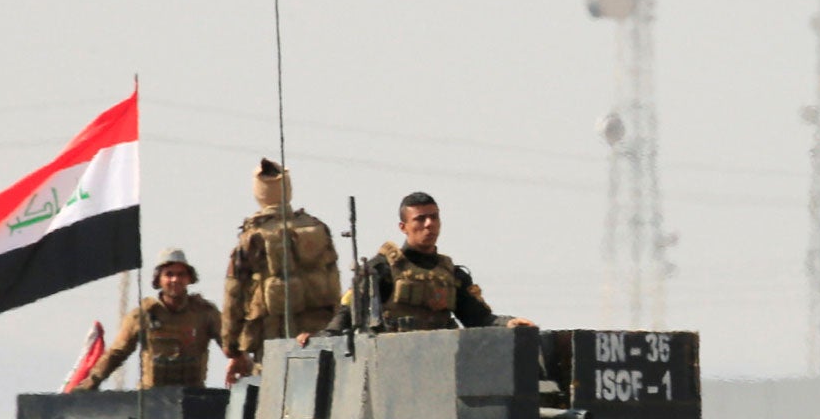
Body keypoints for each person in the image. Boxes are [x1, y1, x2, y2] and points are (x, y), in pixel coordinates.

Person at [316, 192, 532, 335]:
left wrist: (509, 323)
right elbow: (348, 313)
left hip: (444, 364)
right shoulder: (380, 269)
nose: (429, 225)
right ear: (403, 227)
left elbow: (478, 319)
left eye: (434, 217)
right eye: (420, 219)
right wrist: (321, 339)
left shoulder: (452, 275)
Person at [222, 159, 342, 377]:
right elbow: (334, 284)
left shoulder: (251, 237)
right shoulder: (317, 228)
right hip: (318, 334)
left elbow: (234, 295)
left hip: (272, 339)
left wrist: (232, 349)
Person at [80, 249, 226, 390]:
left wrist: (242, 365)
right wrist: (91, 382)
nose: (175, 279)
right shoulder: (143, 315)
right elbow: (117, 353)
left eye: (181, 274)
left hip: (193, 398)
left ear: (189, 278)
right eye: (169, 274)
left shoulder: (205, 313)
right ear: (159, 280)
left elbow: (230, 344)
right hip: (152, 401)